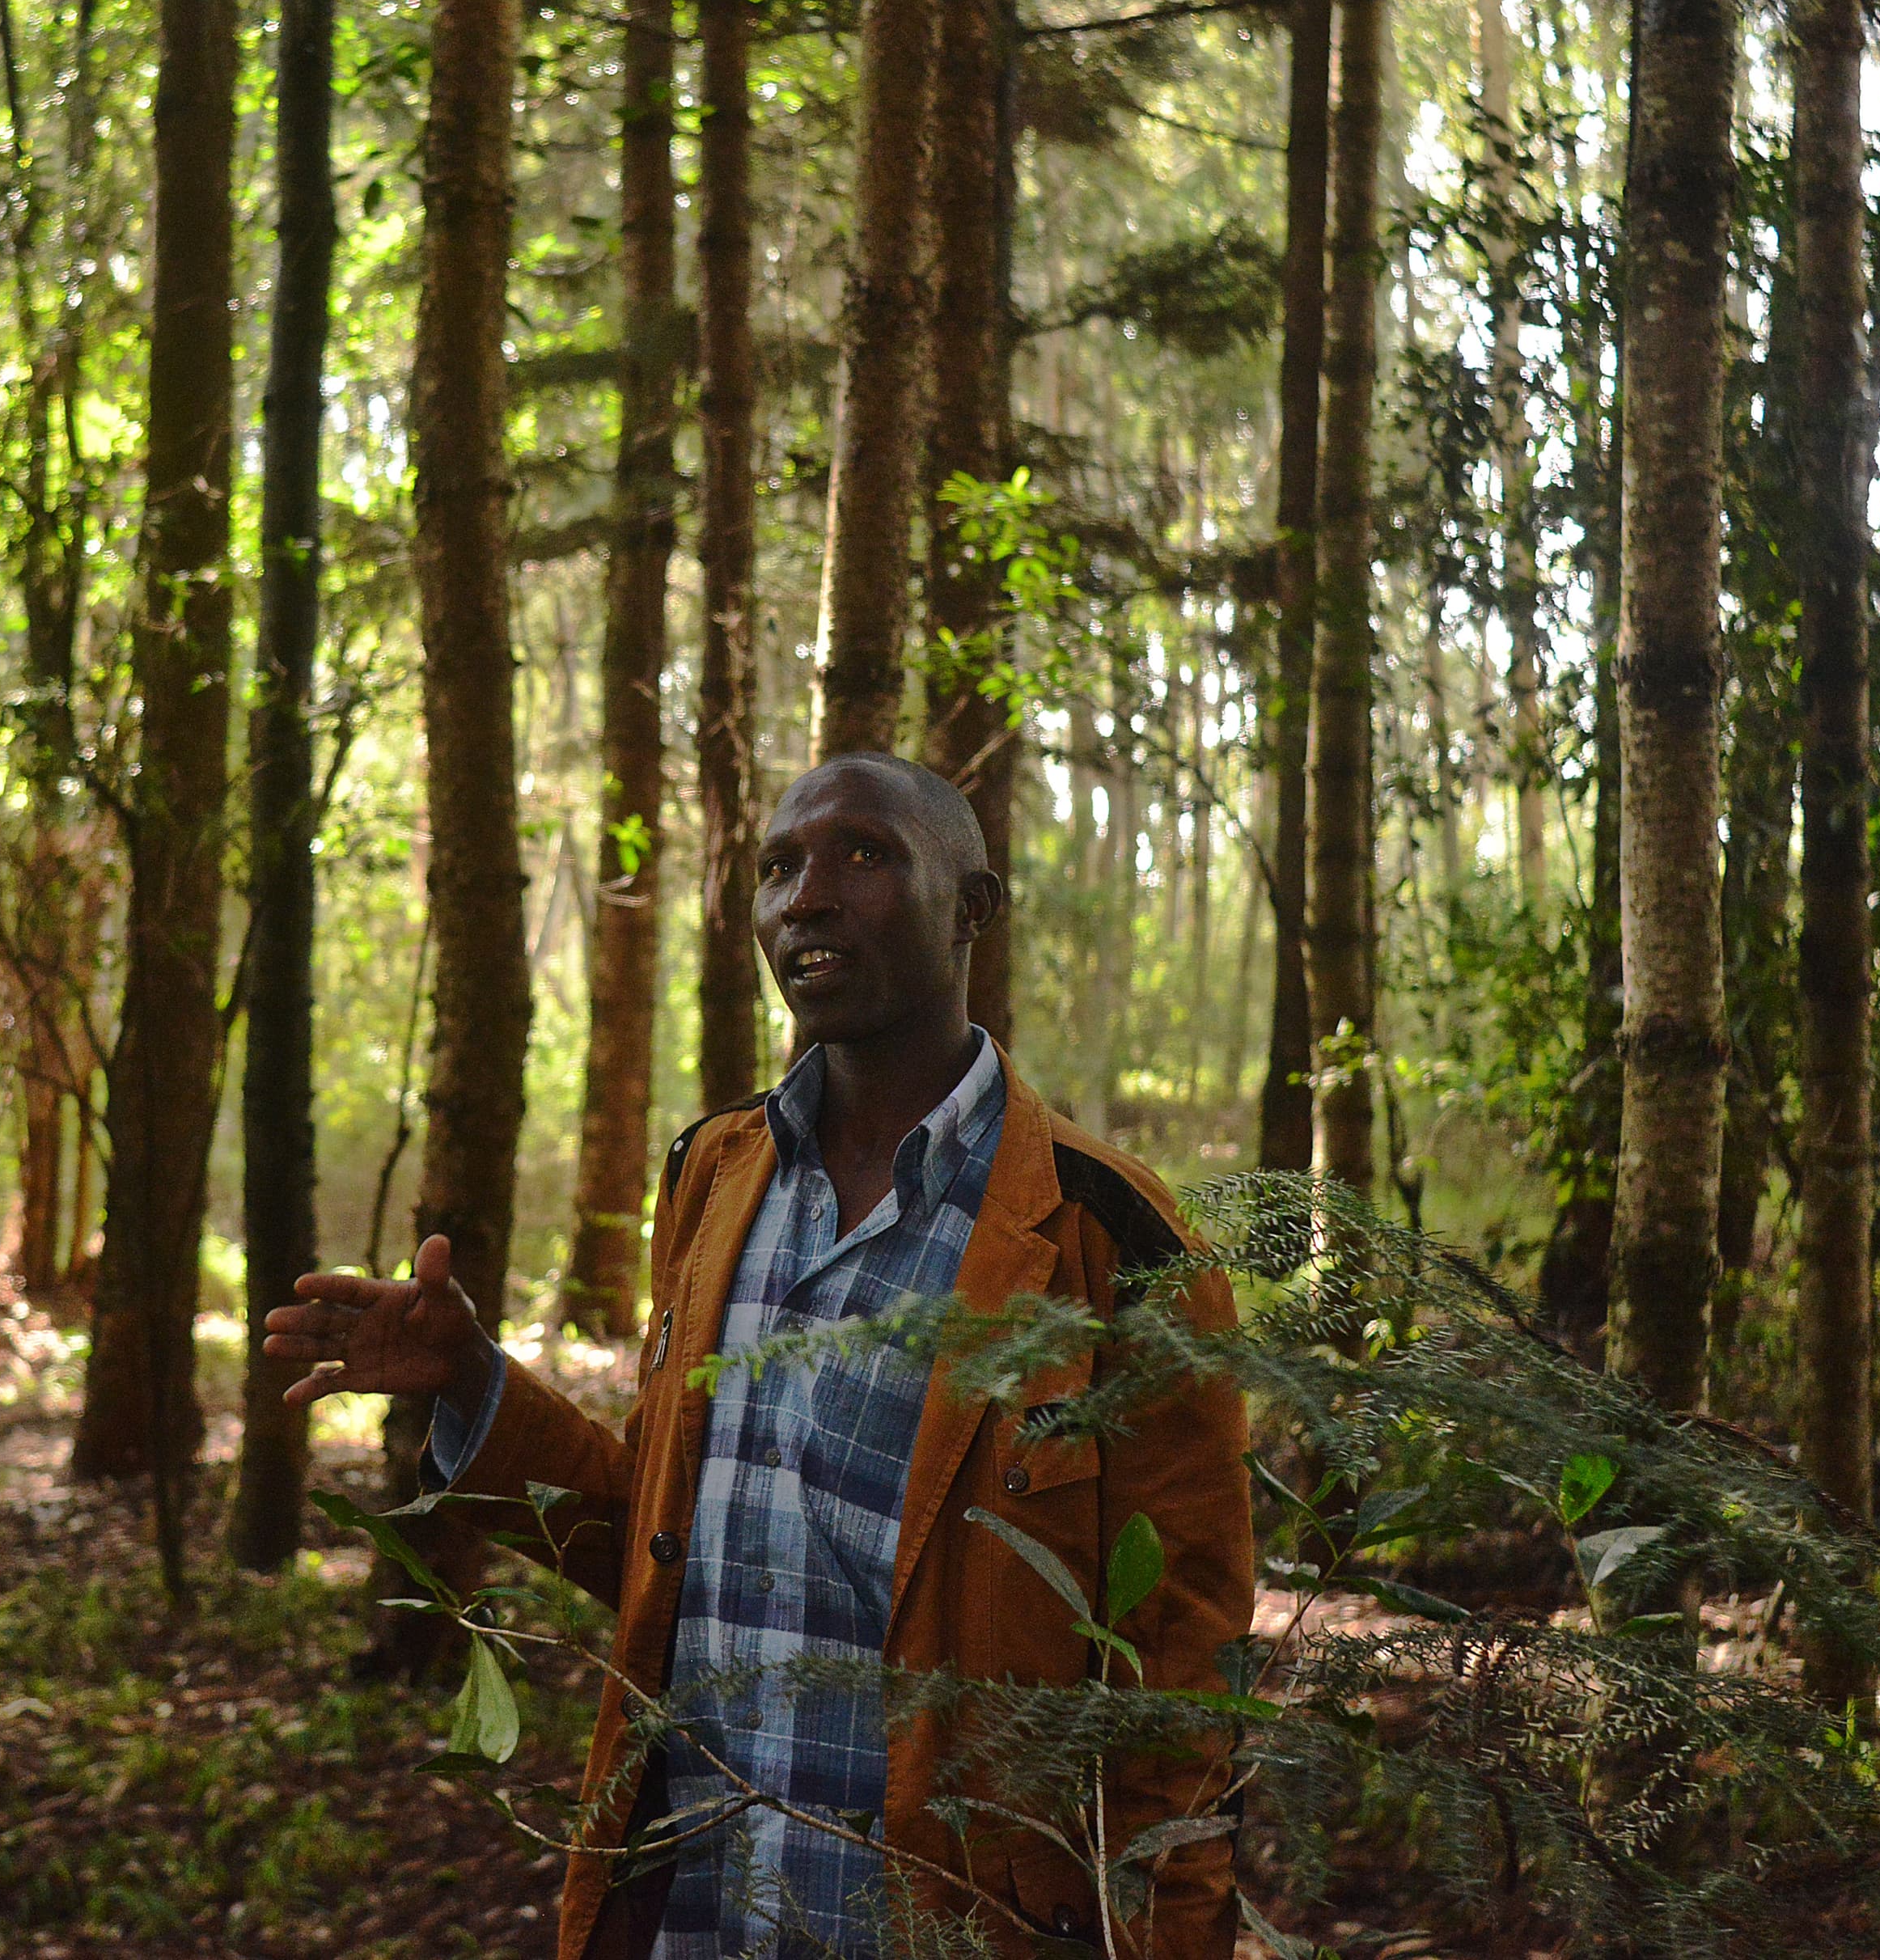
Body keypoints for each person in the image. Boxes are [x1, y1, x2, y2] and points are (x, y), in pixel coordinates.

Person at [263, 752, 1253, 1959]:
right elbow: (666, 1555)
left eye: (864, 856)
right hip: (697, 1912)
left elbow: (1187, 1678)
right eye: (779, 868)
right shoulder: (711, 1179)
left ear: (973, 911)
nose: (806, 899)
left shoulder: (1110, 1233)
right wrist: (475, 1384)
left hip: (960, 1926)